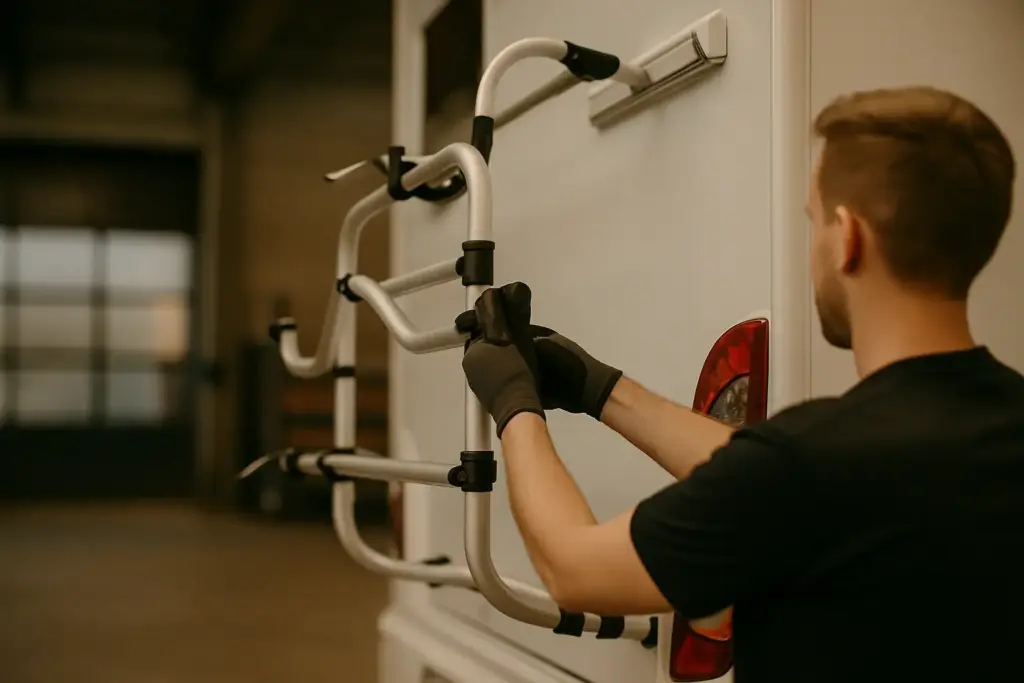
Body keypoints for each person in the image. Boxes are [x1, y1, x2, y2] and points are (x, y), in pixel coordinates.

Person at [460, 86, 1021, 683]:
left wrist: (514, 404)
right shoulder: (983, 433)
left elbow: (572, 569)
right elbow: (791, 482)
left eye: (814, 222)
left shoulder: (812, 464)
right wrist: (601, 390)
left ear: (848, 238)